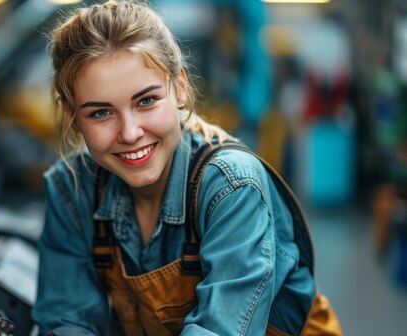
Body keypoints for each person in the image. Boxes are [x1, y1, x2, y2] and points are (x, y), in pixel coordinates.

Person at [32, 1, 342, 335]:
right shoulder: (72, 192)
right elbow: (67, 320)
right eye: (101, 113)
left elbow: (220, 329)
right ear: (72, 116)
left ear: (179, 86)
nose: (130, 133)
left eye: (146, 101)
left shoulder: (231, 187)